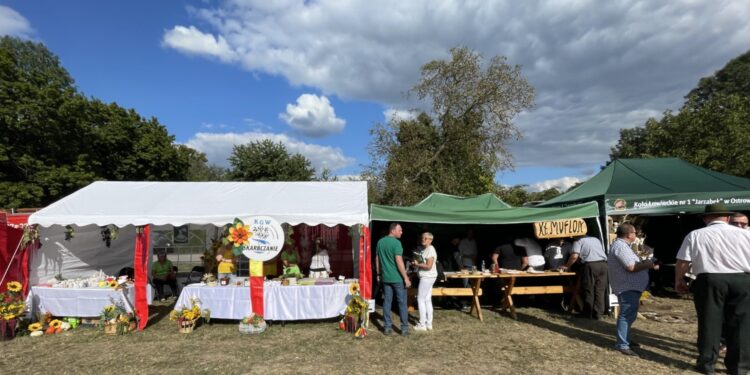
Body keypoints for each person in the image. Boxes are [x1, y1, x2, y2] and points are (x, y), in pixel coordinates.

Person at [675, 203, 750, 375]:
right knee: (742, 324)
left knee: (709, 322)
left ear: (706, 218)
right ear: (728, 217)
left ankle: (707, 364)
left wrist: (679, 280)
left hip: (710, 279)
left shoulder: (695, 235)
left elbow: (683, 262)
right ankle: (739, 367)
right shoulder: (746, 235)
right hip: (742, 279)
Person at [608, 223, 659, 357]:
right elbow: (631, 267)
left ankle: (626, 339)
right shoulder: (620, 246)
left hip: (630, 286)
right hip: (626, 287)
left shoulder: (624, 246)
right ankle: (622, 344)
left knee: (629, 315)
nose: (636, 235)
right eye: (635, 233)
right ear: (629, 234)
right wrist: (647, 264)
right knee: (626, 315)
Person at [376, 223, 411, 336]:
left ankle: (387, 327)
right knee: (402, 303)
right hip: (397, 278)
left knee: (387, 302)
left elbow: (377, 259)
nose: (402, 232)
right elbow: (399, 261)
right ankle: (404, 328)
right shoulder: (396, 243)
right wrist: (406, 277)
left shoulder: (380, 242)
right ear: (392, 230)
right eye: (400, 230)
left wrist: (378, 273)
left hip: (385, 277)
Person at [561, 234, 608, 320]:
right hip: (603, 265)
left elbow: (574, 256)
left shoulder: (578, 241)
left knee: (588, 289)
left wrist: (567, 266)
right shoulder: (595, 238)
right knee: (600, 290)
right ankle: (598, 313)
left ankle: (587, 313)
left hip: (590, 265)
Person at [412, 232, 438, 331]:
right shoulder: (424, 249)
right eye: (422, 238)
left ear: (430, 240)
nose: (423, 239)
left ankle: (422, 324)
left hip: (427, 276)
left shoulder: (430, 249)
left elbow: (428, 266)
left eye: (426, 238)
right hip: (428, 276)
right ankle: (429, 324)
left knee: (420, 299)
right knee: (427, 299)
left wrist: (417, 264)